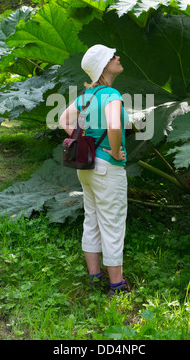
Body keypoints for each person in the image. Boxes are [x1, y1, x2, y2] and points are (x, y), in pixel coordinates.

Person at [59, 44, 130, 296]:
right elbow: (113, 125)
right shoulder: (111, 95)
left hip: (86, 167)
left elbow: (63, 120)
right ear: (104, 66)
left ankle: (94, 277)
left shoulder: (86, 97)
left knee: (92, 220)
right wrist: (113, 150)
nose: (118, 56)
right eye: (113, 56)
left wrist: (83, 143)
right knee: (112, 224)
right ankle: (117, 285)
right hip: (108, 169)